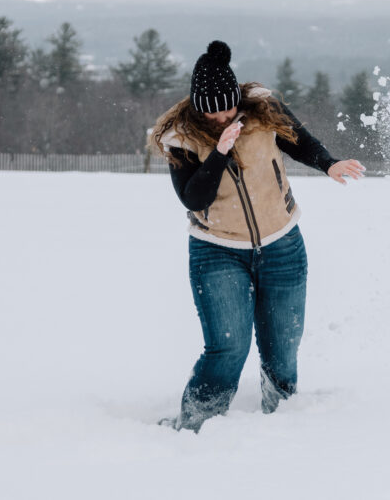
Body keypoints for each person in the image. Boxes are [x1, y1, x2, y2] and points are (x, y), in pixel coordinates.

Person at [150, 40, 365, 431]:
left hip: (281, 243)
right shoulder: (181, 137)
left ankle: (280, 425)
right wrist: (218, 151)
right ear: (197, 106)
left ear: (237, 99)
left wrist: (329, 164)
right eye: (209, 111)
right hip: (217, 251)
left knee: (282, 350)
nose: (219, 117)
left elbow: (298, 140)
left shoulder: (263, 112)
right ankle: (196, 425)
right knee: (228, 347)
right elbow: (193, 197)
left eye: (226, 108)